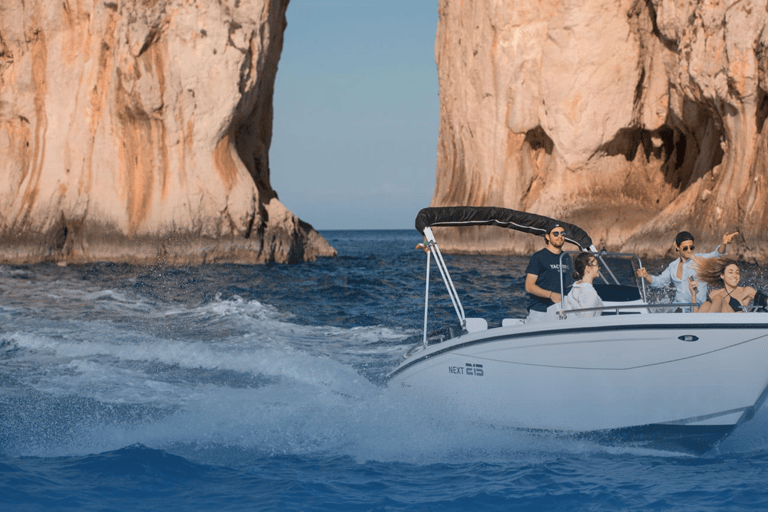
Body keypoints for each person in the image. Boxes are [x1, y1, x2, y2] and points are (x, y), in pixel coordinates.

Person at [635, 230, 738, 311]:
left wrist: (724, 244)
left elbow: (716, 254)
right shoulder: (673, 266)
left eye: (691, 247)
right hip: (680, 308)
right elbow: (658, 282)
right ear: (677, 247)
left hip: (700, 308)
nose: (689, 250)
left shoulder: (699, 260)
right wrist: (646, 275)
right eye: (685, 248)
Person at [524, 222, 573, 322]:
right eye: (555, 234)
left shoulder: (567, 258)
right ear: (547, 237)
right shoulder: (538, 257)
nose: (560, 236)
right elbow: (529, 286)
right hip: (540, 311)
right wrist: (551, 295)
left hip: (561, 310)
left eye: (562, 234)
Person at [687, 257, 756, 313]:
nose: (735, 275)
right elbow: (697, 316)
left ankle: (707, 327)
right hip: (720, 326)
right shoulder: (714, 293)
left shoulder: (746, 291)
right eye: (730, 272)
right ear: (722, 275)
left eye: (737, 273)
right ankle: (700, 328)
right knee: (706, 305)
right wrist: (693, 295)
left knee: (718, 298)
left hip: (736, 325)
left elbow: (765, 301)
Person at [562, 253, 604, 317]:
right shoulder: (588, 291)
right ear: (588, 268)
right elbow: (587, 319)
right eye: (596, 265)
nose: (599, 268)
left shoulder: (575, 288)